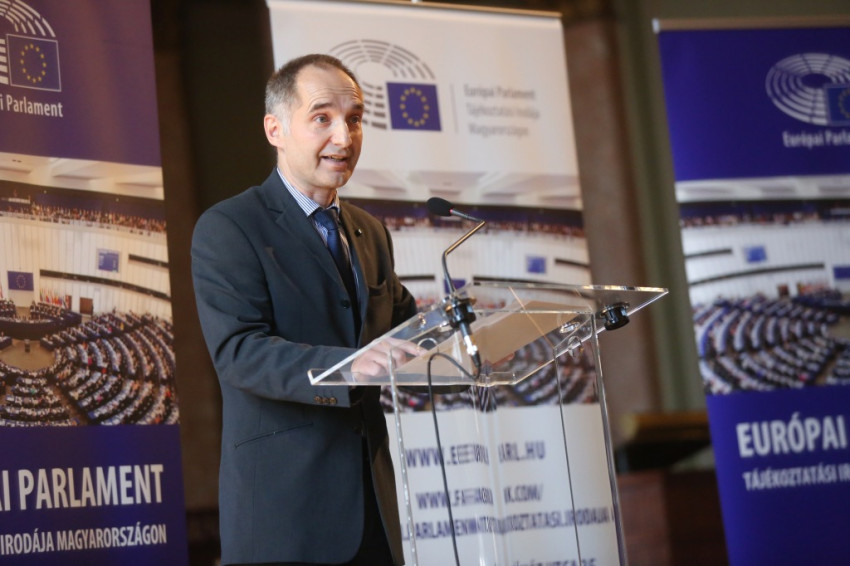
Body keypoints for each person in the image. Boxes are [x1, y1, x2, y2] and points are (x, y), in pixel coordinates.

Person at [191, 54, 420, 566]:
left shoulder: (369, 231)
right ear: (275, 129)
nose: (344, 136)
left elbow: (407, 327)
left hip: (373, 514)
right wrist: (347, 367)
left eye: (354, 119)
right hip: (286, 515)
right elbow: (239, 352)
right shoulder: (230, 227)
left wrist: (469, 333)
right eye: (322, 118)